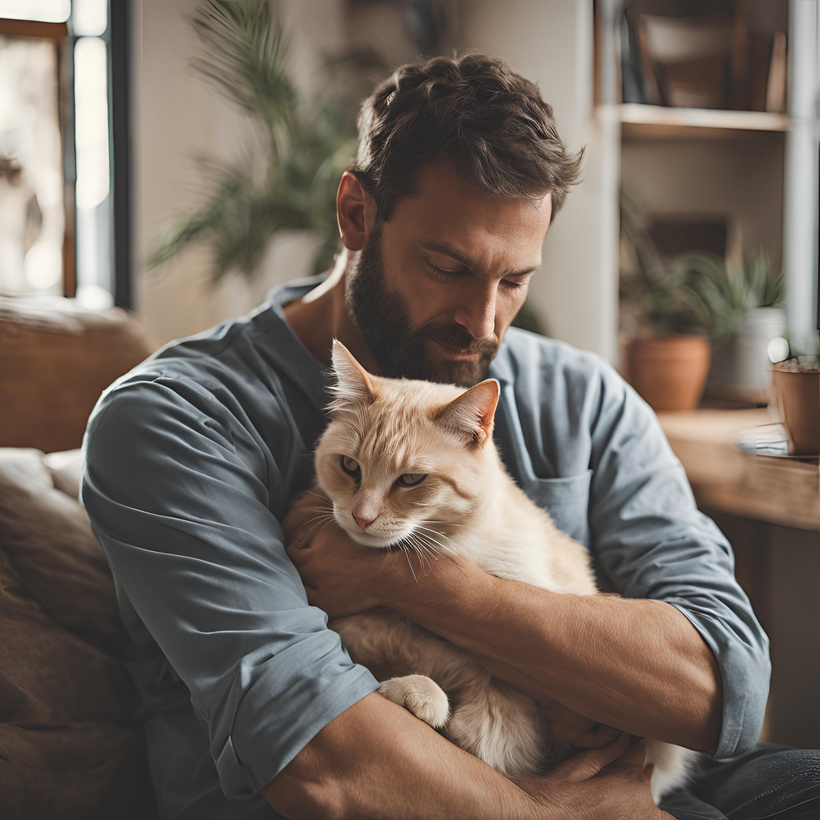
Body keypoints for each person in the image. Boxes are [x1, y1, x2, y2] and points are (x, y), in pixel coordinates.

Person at [80, 54, 819, 820]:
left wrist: (416, 581)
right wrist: (549, 817)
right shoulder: (174, 420)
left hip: (621, 780)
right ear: (356, 213)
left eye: (514, 281)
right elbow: (319, 758)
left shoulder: (584, 397)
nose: (485, 322)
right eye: (448, 266)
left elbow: (719, 689)